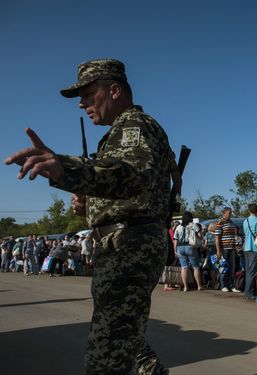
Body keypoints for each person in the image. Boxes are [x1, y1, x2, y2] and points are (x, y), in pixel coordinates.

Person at [5, 59, 172, 373]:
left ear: (113, 90)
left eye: (87, 93)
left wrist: (65, 168)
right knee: (127, 341)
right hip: (123, 246)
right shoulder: (117, 133)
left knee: (105, 357)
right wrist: (89, 201)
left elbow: (132, 175)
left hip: (129, 247)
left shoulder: (133, 125)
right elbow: (127, 188)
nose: (81, 104)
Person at [174, 211, 203, 292]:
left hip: (180, 247)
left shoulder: (178, 227)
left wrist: (175, 250)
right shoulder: (194, 225)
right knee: (195, 267)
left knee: (184, 267)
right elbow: (200, 236)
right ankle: (199, 286)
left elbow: (175, 240)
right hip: (190, 247)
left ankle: (186, 287)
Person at [215, 207, 240, 292]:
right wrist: (218, 250)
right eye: (229, 213)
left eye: (231, 213)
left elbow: (234, 235)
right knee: (224, 267)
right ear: (224, 213)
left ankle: (232, 285)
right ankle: (223, 285)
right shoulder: (220, 223)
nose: (230, 215)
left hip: (232, 248)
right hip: (224, 249)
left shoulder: (231, 222)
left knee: (232, 268)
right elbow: (217, 237)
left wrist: (236, 247)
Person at [243, 203, 257, 299]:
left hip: (246, 247)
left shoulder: (245, 221)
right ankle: (248, 293)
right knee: (252, 271)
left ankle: (250, 291)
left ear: (249, 211)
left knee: (248, 271)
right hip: (254, 248)